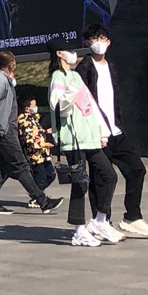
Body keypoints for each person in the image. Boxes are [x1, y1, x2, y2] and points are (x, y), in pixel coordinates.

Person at [77, 24, 148, 236]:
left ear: (109, 41)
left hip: (116, 131)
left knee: (137, 169)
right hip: (96, 134)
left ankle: (133, 216)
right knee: (101, 178)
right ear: (87, 43)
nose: (98, 43)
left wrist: (118, 124)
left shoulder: (110, 66)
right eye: (93, 39)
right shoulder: (83, 68)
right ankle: (102, 221)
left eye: (101, 38)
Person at [47, 44, 121, 248]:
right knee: (80, 184)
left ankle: (99, 220)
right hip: (73, 140)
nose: (73, 54)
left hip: (89, 137)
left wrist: (102, 131)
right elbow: (59, 107)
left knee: (109, 174)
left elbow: (91, 106)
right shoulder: (57, 78)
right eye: (68, 50)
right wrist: (70, 93)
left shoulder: (75, 76)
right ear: (59, 54)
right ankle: (79, 230)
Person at [0, 52, 60, 215]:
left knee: (0, 166)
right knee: (21, 165)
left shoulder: (4, 80)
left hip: (5, 128)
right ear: (10, 64)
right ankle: (42, 200)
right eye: (14, 62)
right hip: (4, 129)